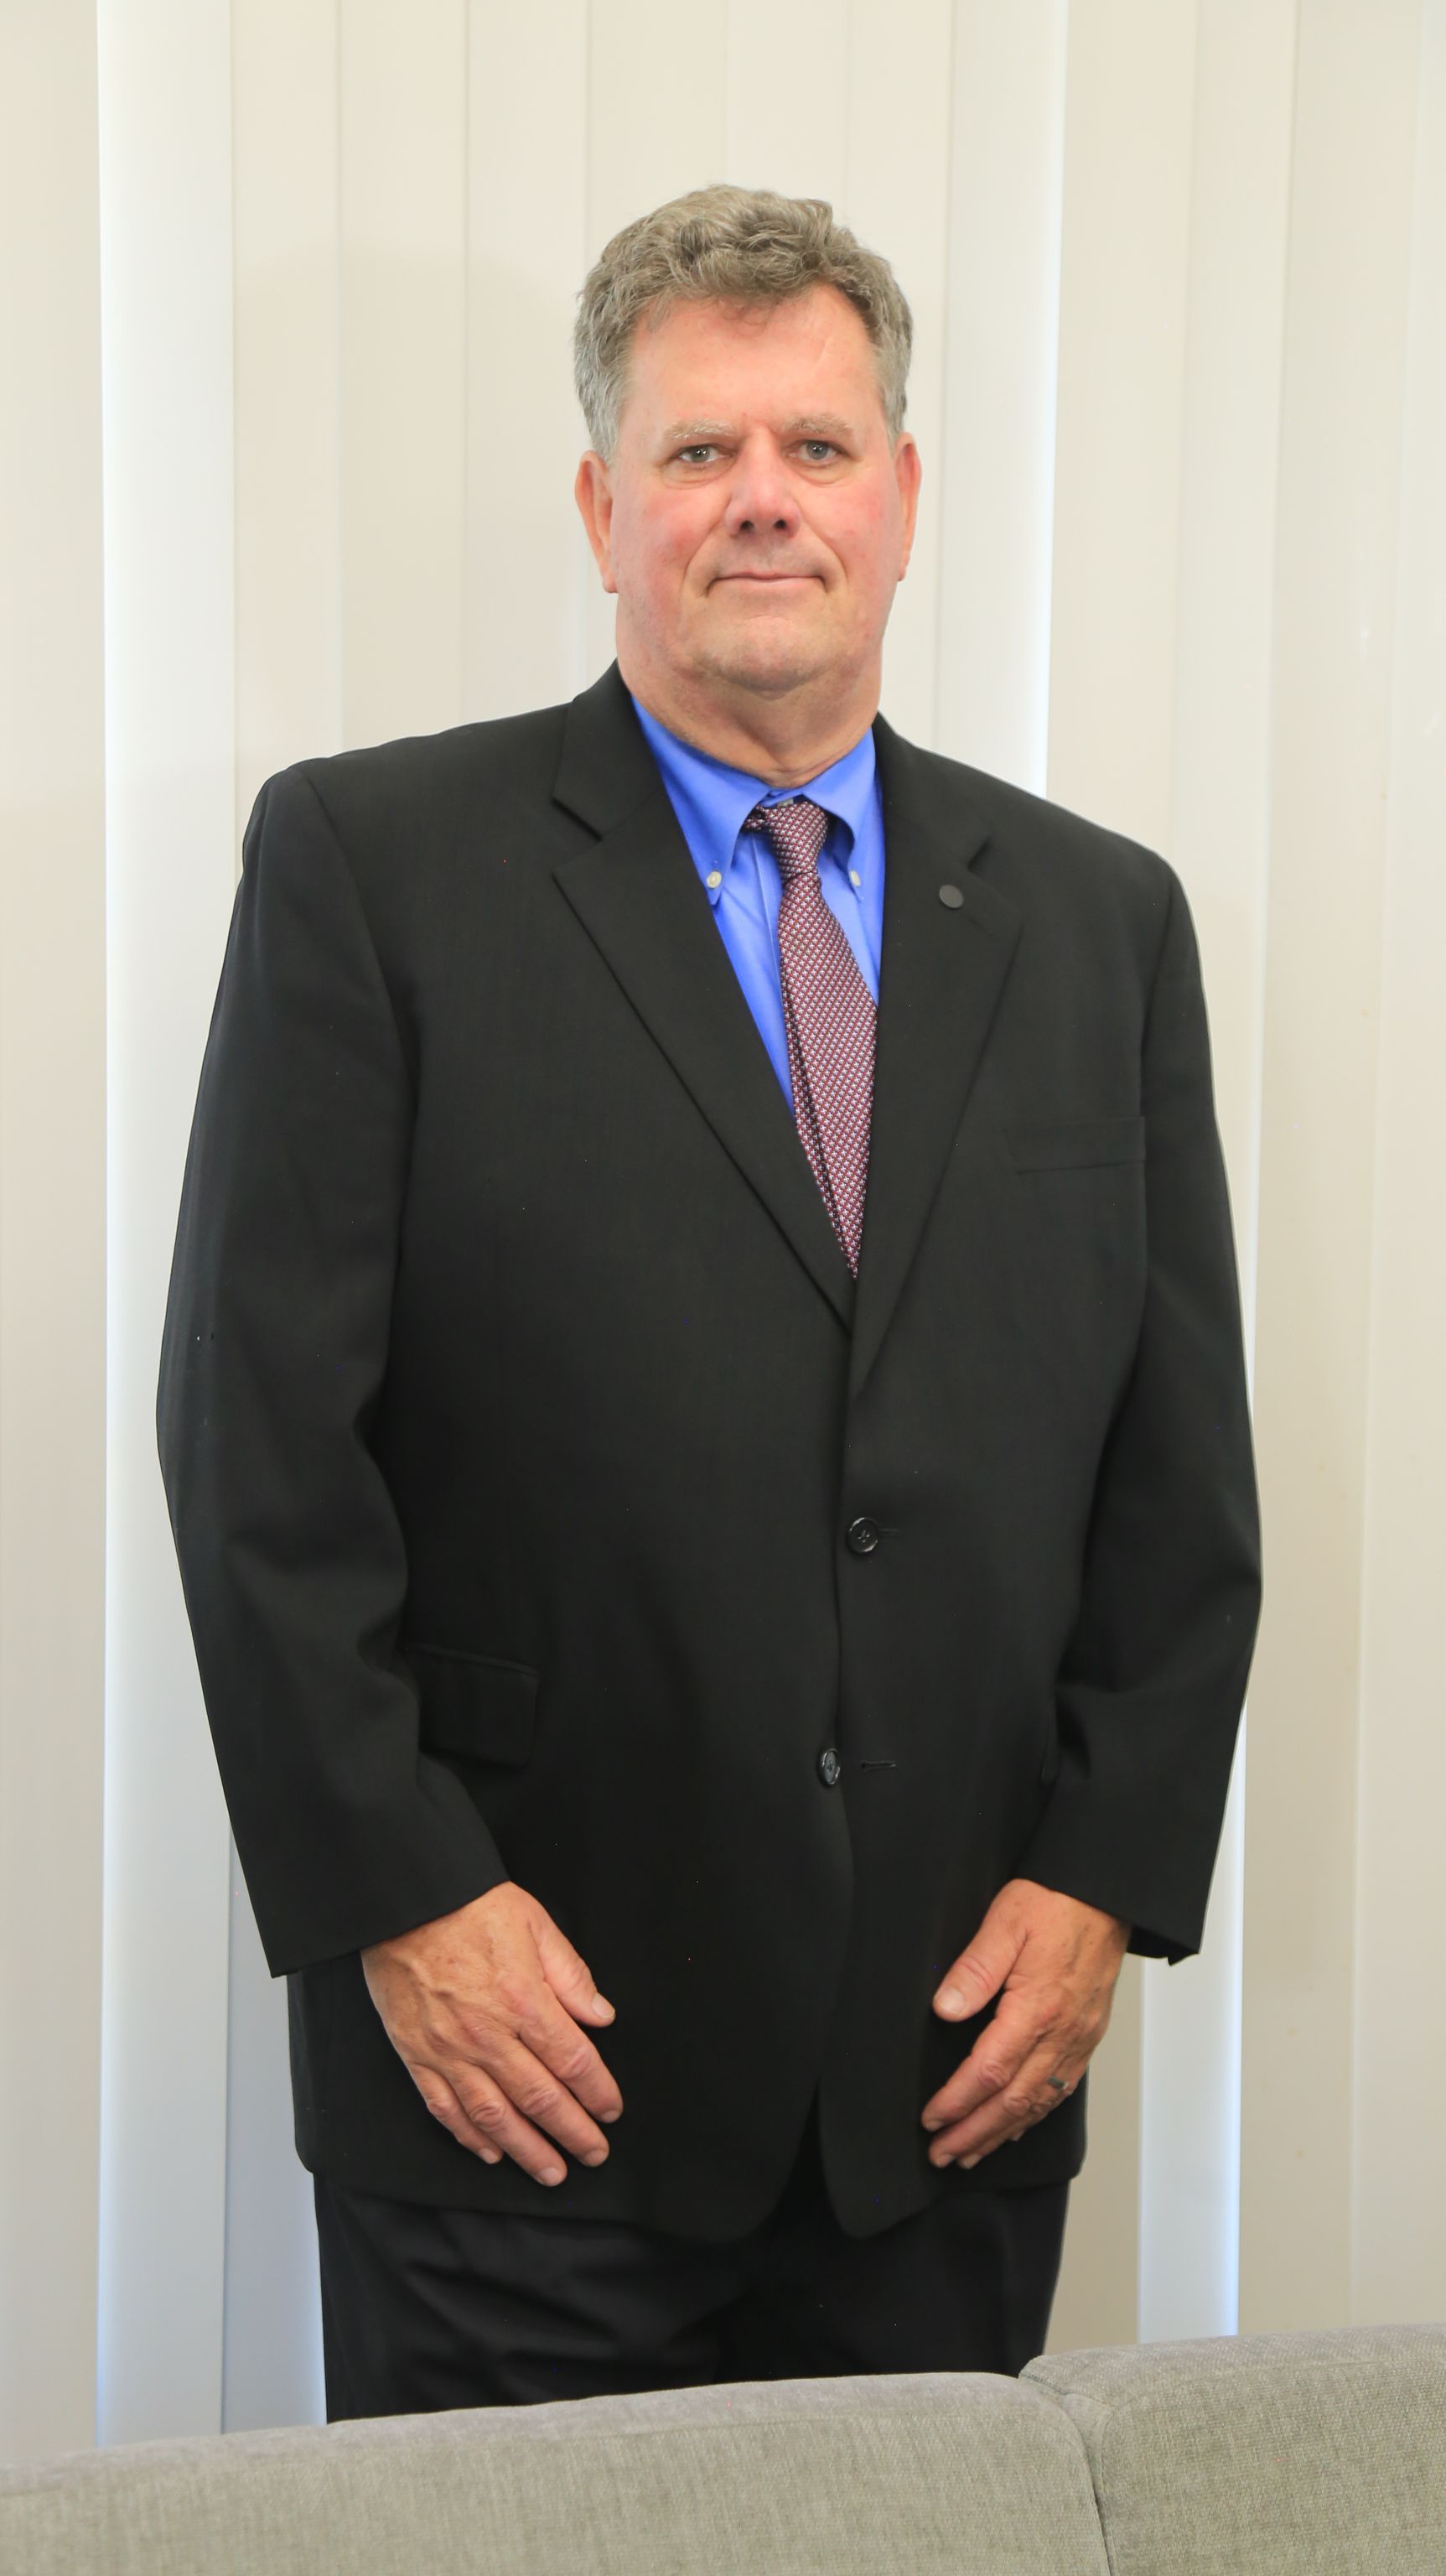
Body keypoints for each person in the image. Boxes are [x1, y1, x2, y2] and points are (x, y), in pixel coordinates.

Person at [157, 184, 1261, 2418]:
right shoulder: (372, 873)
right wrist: (404, 1902)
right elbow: (258, 1447)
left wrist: (1103, 1881)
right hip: (521, 2093)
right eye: (697, 453)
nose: (763, 500)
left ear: (907, 495)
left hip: (948, 2093)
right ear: (601, 505)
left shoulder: (1099, 920)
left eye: (818, 447)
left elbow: (1179, 1466)